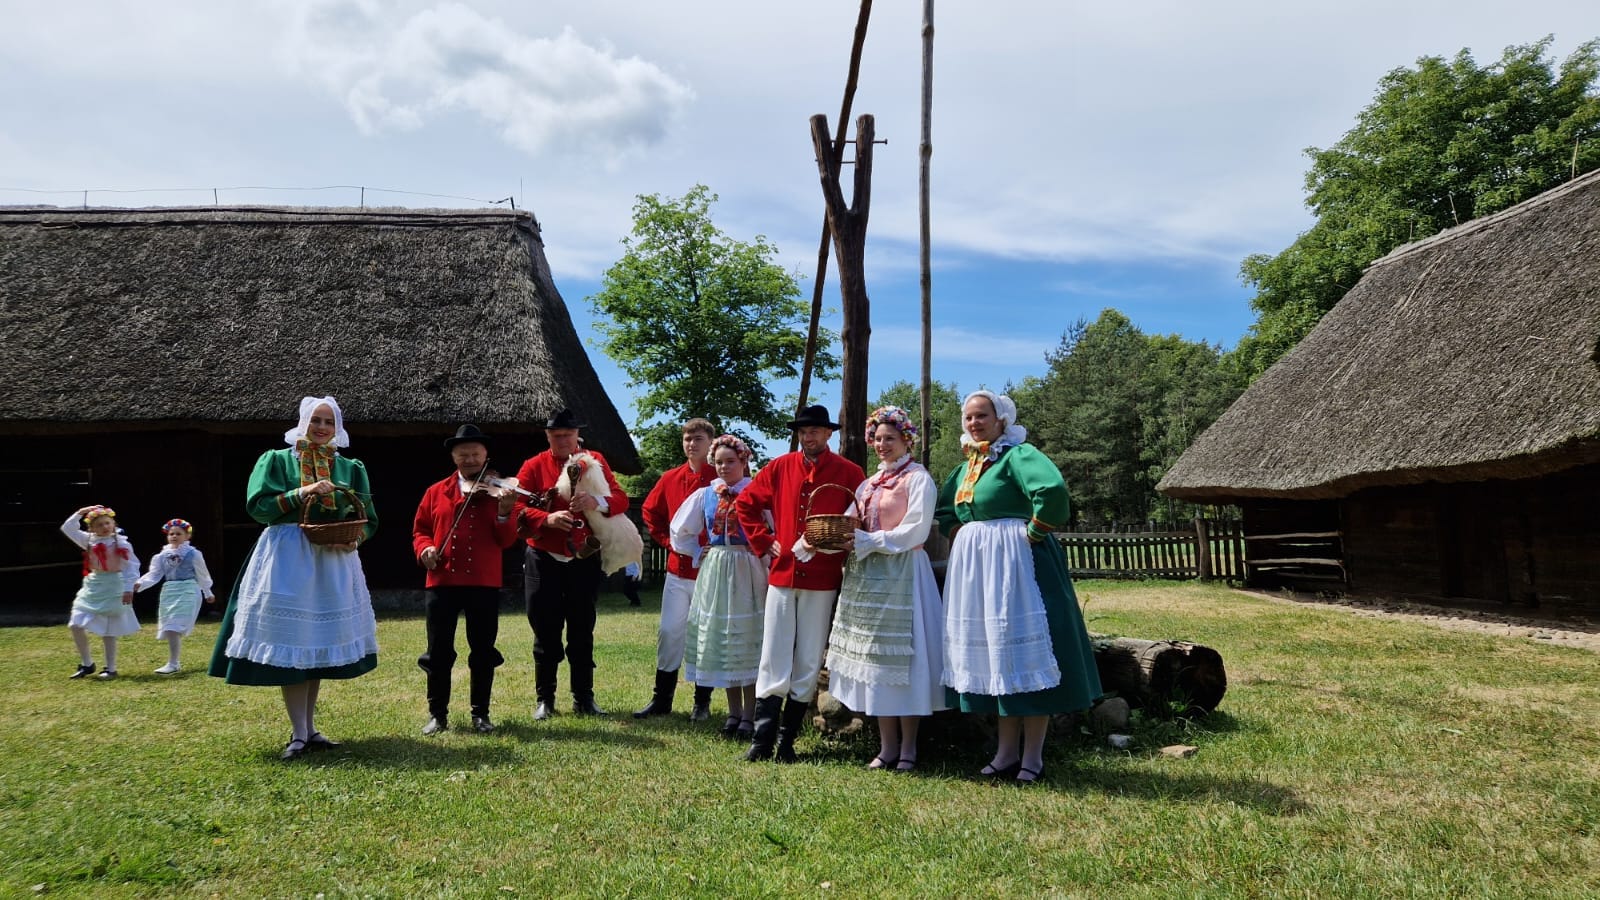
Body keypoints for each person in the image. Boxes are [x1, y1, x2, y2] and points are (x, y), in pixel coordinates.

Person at [936, 390, 1103, 785]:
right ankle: (1006, 752)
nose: (974, 423)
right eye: (968, 417)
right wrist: (962, 534)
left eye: (982, 416)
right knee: (997, 656)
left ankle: (1033, 757)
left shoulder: (1018, 456)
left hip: (1018, 565)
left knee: (1024, 652)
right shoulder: (967, 467)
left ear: (1002, 420)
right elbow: (946, 510)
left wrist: (1031, 533)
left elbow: (1052, 491)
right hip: (979, 571)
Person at [208, 396, 380, 761]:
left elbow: (369, 517)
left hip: (332, 558)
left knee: (314, 643)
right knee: (295, 639)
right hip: (288, 556)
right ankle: (299, 732)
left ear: (337, 428)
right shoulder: (277, 460)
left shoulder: (349, 467)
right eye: (316, 420)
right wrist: (302, 492)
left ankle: (310, 728)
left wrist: (355, 539)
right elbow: (259, 507)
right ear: (303, 423)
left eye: (329, 422)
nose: (322, 427)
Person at [735, 404, 864, 762]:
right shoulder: (779, 466)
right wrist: (764, 540)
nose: (809, 437)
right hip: (783, 573)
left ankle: (787, 742)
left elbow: (862, 514)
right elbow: (746, 504)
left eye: (815, 431)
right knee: (773, 654)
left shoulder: (849, 472)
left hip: (822, 577)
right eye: (804, 432)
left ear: (828, 434)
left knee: (808, 657)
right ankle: (761, 742)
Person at [826, 406, 947, 772]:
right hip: (868, 577)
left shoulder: (918, 479)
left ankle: (908, 747)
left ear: (906, 440)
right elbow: (851, 521)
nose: (882, 445)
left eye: (890, 438)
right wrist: (834, 536)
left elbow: (916, 529)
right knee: (877, 661)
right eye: (877, 439)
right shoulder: (869, 483)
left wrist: (869, 540)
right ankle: (887, 745)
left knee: (902, 660)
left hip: (903, 573)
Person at [514, 408, 629, 720]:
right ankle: (545, 699)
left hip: (583, 556)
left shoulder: (595, 460)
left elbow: (620, 499)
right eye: (556, 435)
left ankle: (584, 698)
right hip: (543, 556)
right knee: (545, 628)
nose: (562, 440)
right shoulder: (533, 465)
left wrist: (596, 502)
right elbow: (517, 507)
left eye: (567, 434)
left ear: (577, 435)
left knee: (582, 628)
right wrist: (547, 518)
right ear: (547, 436)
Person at [412, 424, 519, 735]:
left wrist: (505, 512)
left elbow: (506, 540)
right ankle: (437, 714)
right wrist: (425, 548)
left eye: (475, 454)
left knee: (483, 650)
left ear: (485, 456)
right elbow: (420, 530)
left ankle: (480, 714)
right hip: (442, 581)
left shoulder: (498, 492)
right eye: (463, 455)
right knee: (438, 651)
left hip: (483, 582)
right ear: (454, 457)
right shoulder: (436, 492)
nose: (470, 460)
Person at [669, 434, 768, 739]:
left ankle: (750, 714)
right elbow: (680, 530)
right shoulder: (707, 494)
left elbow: (774, 527)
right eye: (719, 462)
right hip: (716, 569)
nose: (724, 467)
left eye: (730, 461)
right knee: (725, 639)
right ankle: (734, 712)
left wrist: (763, 555)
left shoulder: (757, 492)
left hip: (747, 569)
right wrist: (698, 552)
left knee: (746, 639)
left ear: (744, 461)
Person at [634, 418, 716, 720]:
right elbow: (650, 511)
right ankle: (662, 699)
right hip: (677, 571)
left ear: (710, 442)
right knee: (669, 632)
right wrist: (670, 542)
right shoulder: (670, 478)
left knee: (705, 635)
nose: (691, 444)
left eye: (698, 439)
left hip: (710, 572)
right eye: (687, 439)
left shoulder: (721, 477)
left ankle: (701, 702)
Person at [61, 505, 140, 679]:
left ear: (113, 524)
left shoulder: (121, 542)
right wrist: (80, 513)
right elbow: (68, 528)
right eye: (99, 525)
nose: (105, 527)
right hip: (94, 583)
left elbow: (131, 566)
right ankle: (87, 663)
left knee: (109, 629)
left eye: (107, 523)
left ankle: (110, 668)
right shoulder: (89, 540)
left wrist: (129, 588)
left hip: (114, 584)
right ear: (92, 528)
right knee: (75, 624)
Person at [134, 518, 215, 674]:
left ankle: (173, 663)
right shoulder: (162, 556)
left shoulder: (193, 554)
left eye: (178, 533)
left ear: (187, 536)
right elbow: (155, 574)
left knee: (174, 626)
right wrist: (141, 583)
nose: (174, 536)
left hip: (188, 590)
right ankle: (173, 663)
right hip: (170, 591)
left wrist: (207, 592)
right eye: (171, 534)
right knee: (170, 626)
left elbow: (202, 574)